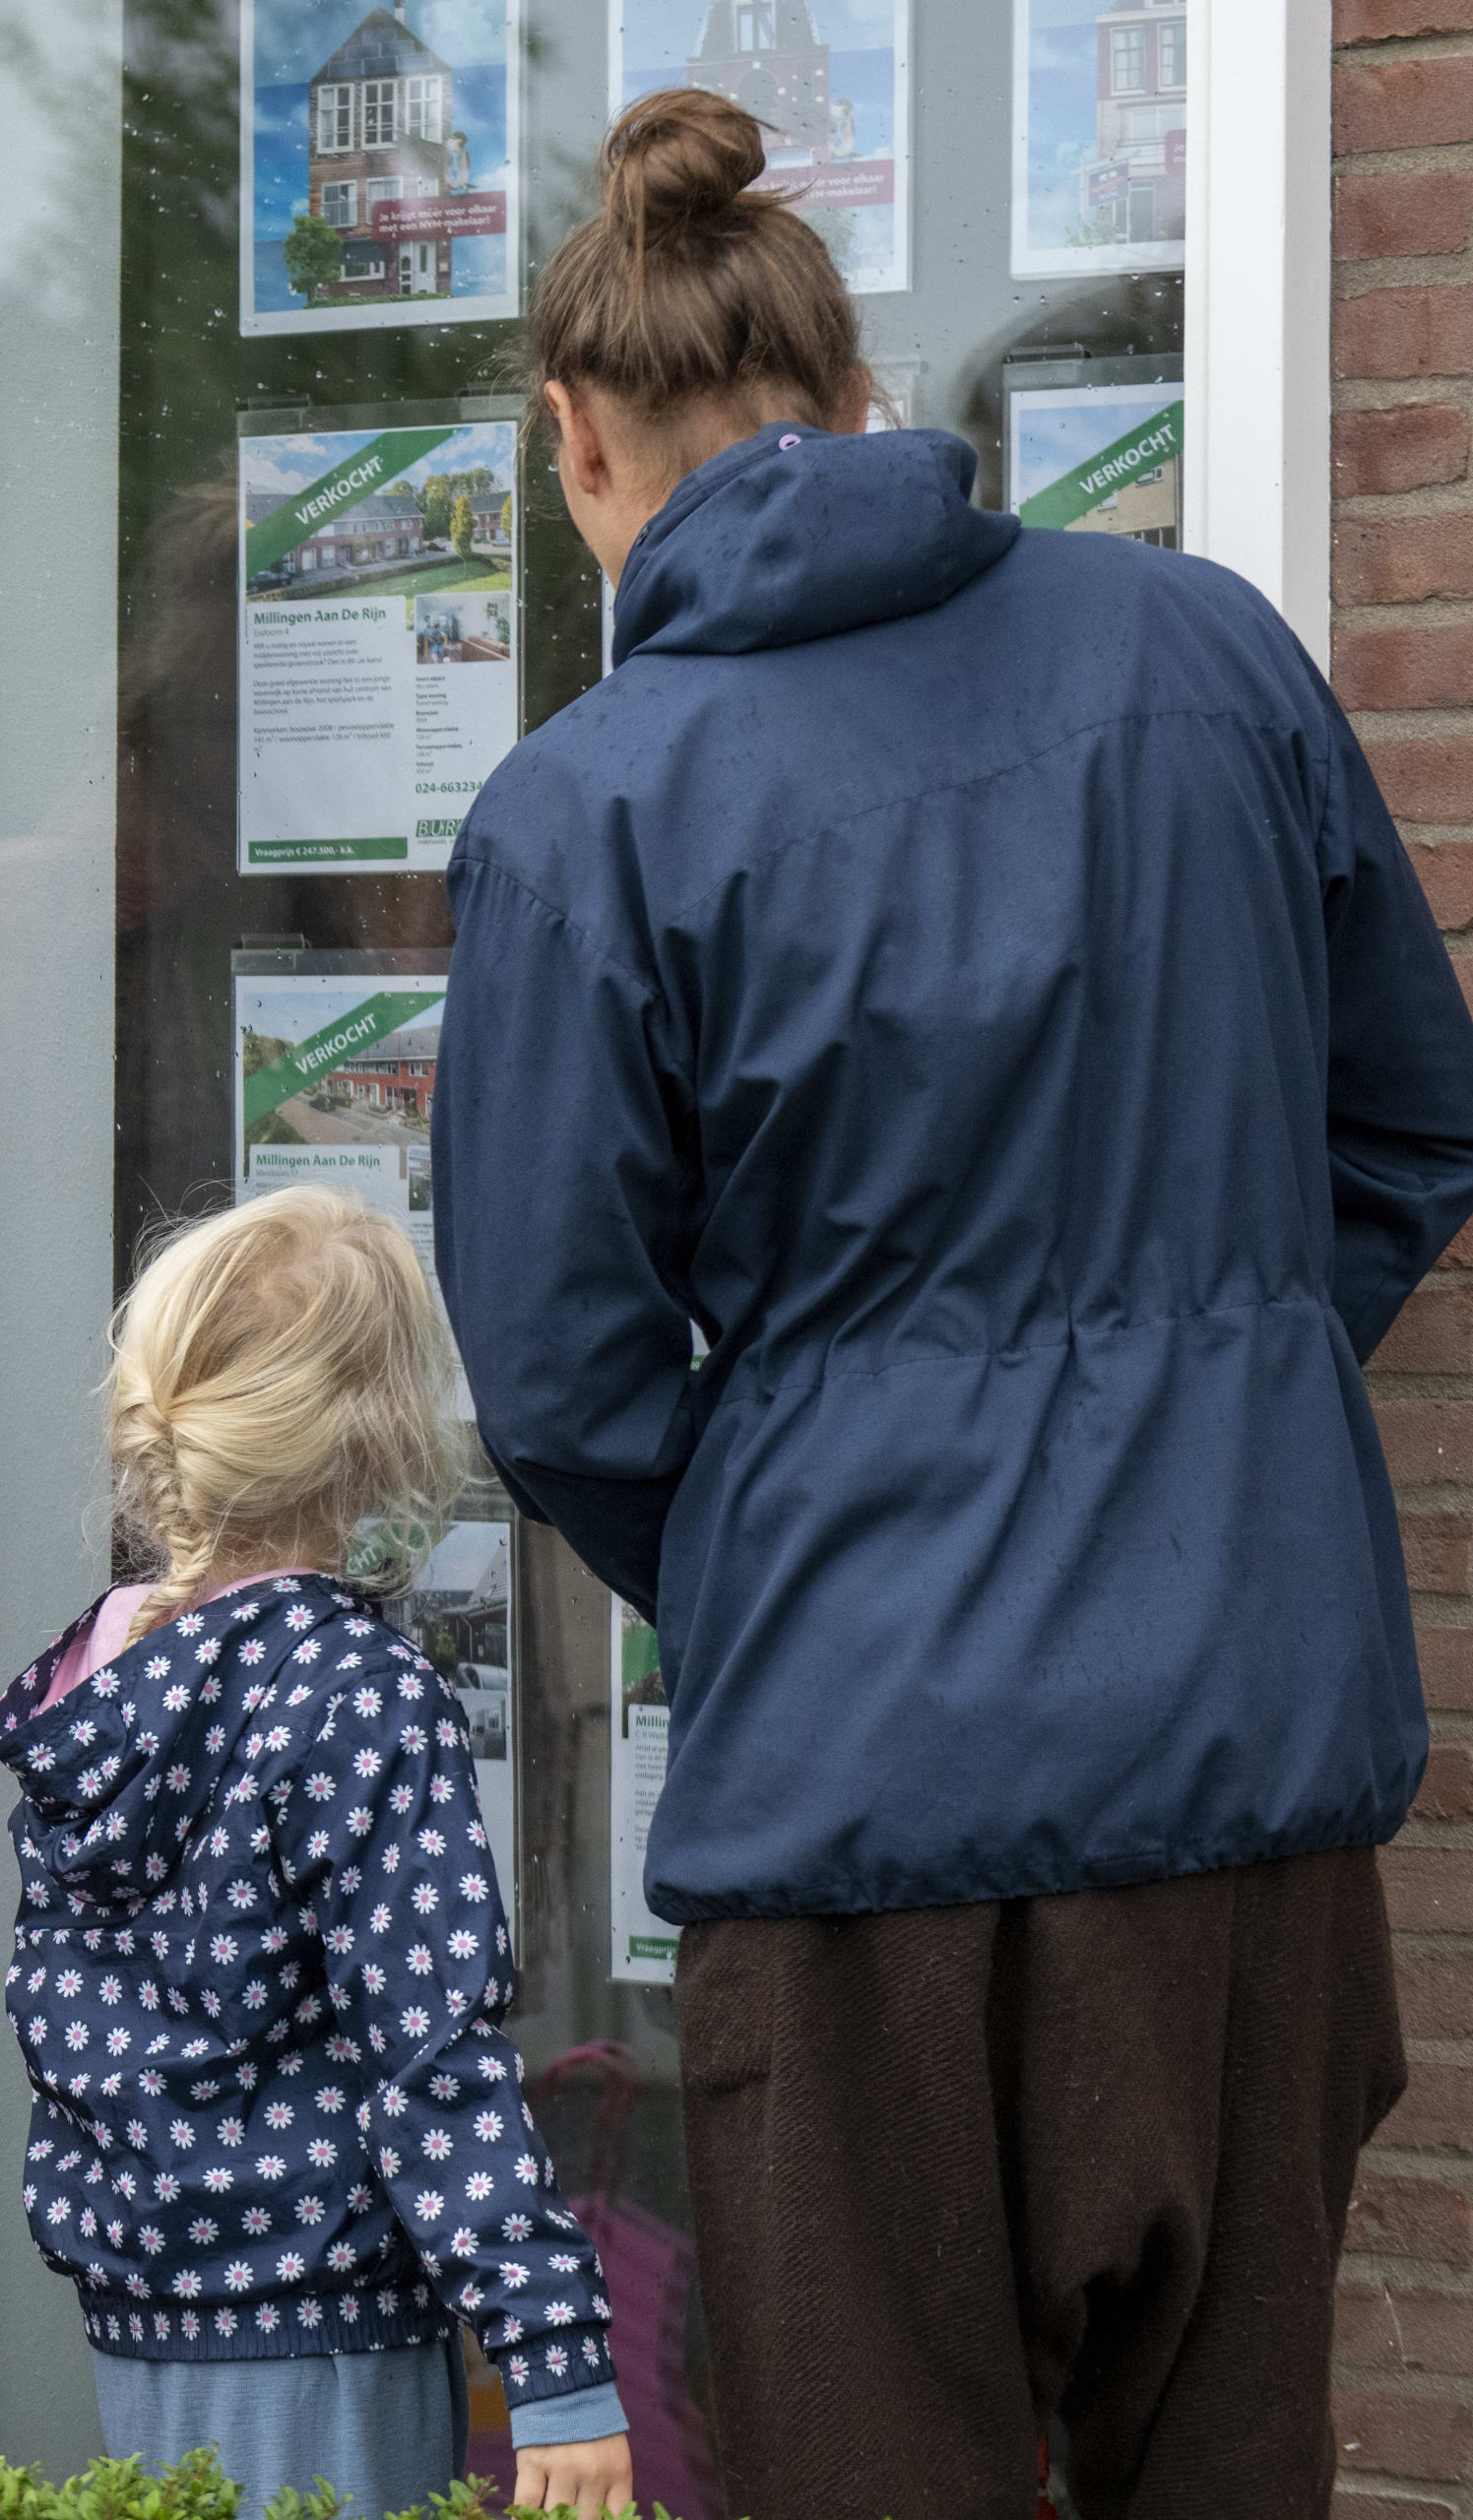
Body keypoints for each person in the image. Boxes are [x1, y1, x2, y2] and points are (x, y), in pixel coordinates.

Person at [434, 90, 1473, 2520]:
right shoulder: (1207, 647)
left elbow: (566, 1371)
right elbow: (1415, 1122)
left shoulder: (591, 810)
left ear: (580, 447)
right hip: (1247, 1762)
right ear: (859, 394)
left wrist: (810, 1548)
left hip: (864, 1825)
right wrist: (1216, 1387)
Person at [0, 1188, 635, 2516]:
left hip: (140, 2325)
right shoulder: (358, 1686)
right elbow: (432, 2051)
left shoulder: (98, 1671)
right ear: (391, 1433)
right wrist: (555, 2360)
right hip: (326, 2334)